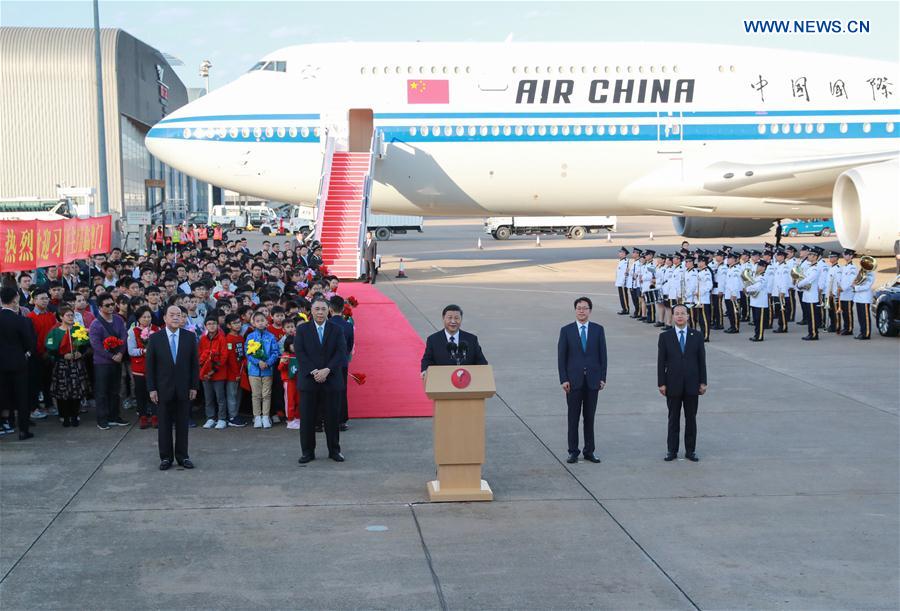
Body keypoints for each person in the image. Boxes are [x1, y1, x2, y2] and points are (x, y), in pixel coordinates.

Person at [145, 305, 200, 470]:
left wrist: (193, 386)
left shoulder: (189, 337)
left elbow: (194, 365)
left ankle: (183, 456)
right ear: (165, 318)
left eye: (179, 315)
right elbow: (150, 366)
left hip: (184, 388)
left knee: (183, 424)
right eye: (172, 315)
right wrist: (152, 388)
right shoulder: (155, 338)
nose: (176, 318)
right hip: (163, 389)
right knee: (164, 424)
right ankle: (166, 458)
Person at [295, 297, 349, 463]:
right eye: (317, 309)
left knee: (332, 418)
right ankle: (307, 452)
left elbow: (341, 352)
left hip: (331, 380)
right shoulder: (303, 330)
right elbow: (300, 353)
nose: (320, 312)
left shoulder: (336, 329)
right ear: (311, 310)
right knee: (308, 419)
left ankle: (334, 450)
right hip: (309, 380)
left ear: (329, 311)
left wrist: (327, 370)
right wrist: (315, 372)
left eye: (323, 309)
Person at [557, 297, 608, 464]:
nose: (581, 311)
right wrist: (563, 379)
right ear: (575, 310)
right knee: (573, 417)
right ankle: (573, 451)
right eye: (579, 308)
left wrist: (602, 377)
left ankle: (589, 451)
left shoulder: (598, 330)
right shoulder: (566, 330)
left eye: (585, 308)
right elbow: (561, 357)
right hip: (573, 382)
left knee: (589, 417)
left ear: (590, 311)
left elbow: (603, 355)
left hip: (593, 381)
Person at [657, 304, 707, 462]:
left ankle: (690, 450)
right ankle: (672, 450)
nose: (679, 316)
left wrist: (703, 381)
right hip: (673, 384)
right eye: (676, 313)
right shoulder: (665, 336)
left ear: (688, 316)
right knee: (673, 418)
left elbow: (701, 361)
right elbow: (661, 362)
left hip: (692, 384)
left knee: (691, 418)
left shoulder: (697, 335)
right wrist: (661, 383)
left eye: (682, 313)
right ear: (672, 317)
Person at [44, 305, 91, 427]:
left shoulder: (78, 329)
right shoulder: (54, 331)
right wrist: (62, 356)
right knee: (62, 391)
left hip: (76, 364)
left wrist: (81, 352)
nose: (71, 317)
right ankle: (64, 415)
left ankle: (75, 414)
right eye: (68, 315)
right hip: (62, 365)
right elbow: (50, 348)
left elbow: (86, 344)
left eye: (72, 315)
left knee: (76, 390)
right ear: (61, 317)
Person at [89, 292, 129, 429]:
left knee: (115, 390)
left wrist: (120, 353)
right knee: (102, 391)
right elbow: (96, 345)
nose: (111, 307)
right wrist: (112, 356)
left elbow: (124, 337)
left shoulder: (118, 319)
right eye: (107, 305)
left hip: (117, 360)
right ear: (100, 307)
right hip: (102, 363)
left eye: (112, 304)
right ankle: (102, 418)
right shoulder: (95, 324)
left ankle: (114, 415)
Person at [0, 286, 35, 440]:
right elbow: (28, 341)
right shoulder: (20, 319)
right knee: (22, 396)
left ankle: (4, 424)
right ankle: (23, 430)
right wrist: (26, 351)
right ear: (15, 299)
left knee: (2, 394)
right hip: (18, 362)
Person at [420, 304, 488, 375]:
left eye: (456, 318)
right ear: (443, 318)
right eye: (449, 318)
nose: (453, 321)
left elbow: (481, 362)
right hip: (442, 381)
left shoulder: (471, 339)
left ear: (461, 319)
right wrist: (425, 371)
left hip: (466, 382)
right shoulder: (433, 339)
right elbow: (427, 360)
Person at [246, 311, 281, 428]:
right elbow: (248, 354)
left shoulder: (271, 337)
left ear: (266, 322)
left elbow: (275, 353)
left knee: (266, 394)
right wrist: (258, 362)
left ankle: (265, 416)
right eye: (257, 321)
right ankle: (257, 417)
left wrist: (267, 363)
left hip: (267, 370)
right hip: (254, 371)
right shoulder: (250, 336)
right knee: (256, 395)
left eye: (262, 320)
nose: (260, 323)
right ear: (253, 323)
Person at [199, 317, 230, 429]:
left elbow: (224, 356)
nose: (211, 326)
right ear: (205, 326)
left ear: (218, 325)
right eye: (209, 324)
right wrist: (204, 370)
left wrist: (213, 370)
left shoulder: (222, 338)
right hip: (205, 375)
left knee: (220, 398)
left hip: (219, 373)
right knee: (208, 398)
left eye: (214, 323)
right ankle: (210, 418)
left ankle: (222, 418)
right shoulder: (203, 339)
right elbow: (200, 355)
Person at [614, 247, 630, 315]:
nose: (619, 253)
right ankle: (624, 308)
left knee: (624, 296)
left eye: (621, 252)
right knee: (621, 296)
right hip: (619, 282)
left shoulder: (626, 262)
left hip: (623, 283)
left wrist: (623, 282)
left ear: (624, 254)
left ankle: (626, 309)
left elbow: (625, 273)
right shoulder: (621, 261)